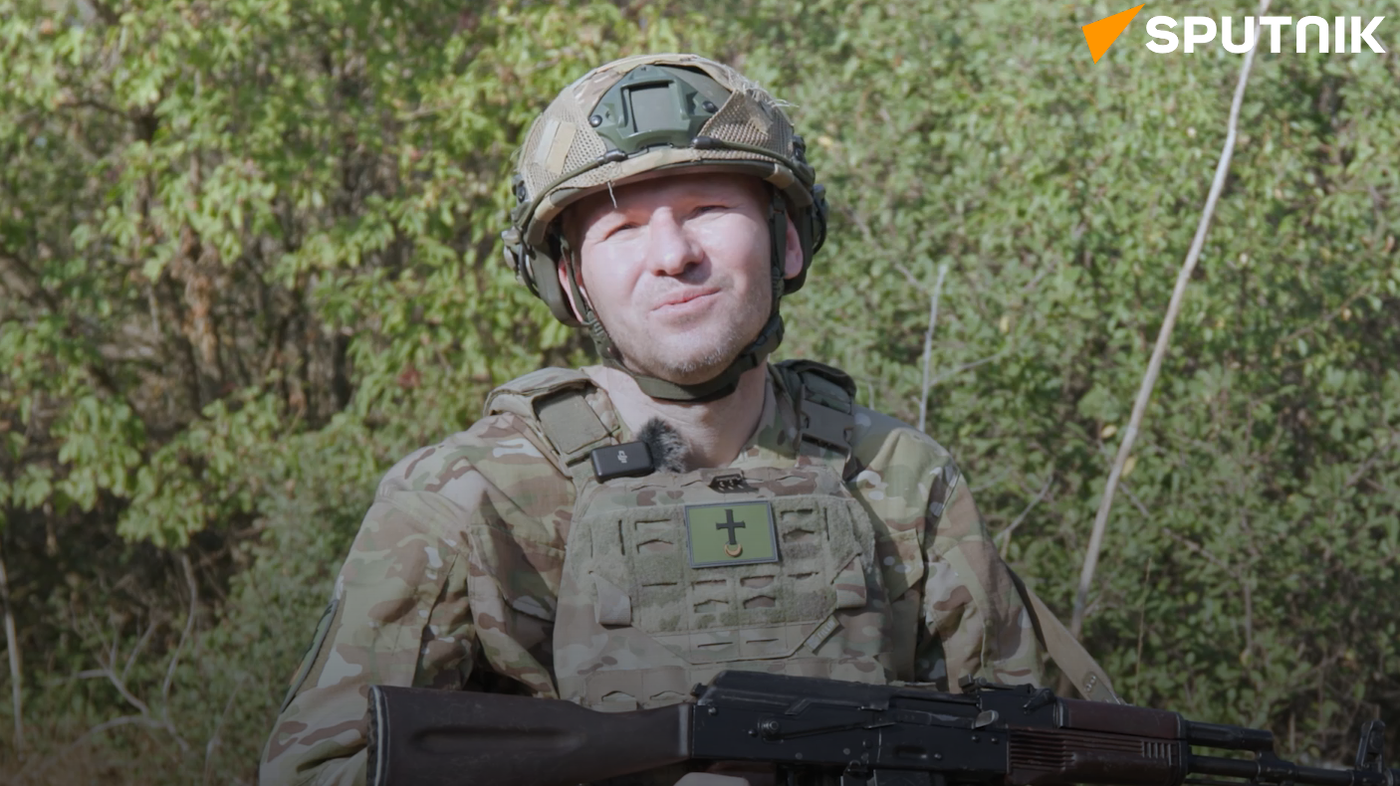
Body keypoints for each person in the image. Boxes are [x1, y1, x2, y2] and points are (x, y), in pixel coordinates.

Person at [260, 53, 1055, 786]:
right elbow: (319, 771)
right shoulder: (468, 498)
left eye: (707, 208)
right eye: (622, 229)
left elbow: (1033, 748)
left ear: (785, 242)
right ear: (571, 283)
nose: (673, 255)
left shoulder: (898, 476)